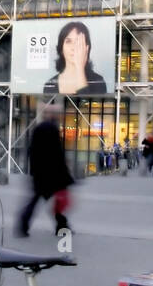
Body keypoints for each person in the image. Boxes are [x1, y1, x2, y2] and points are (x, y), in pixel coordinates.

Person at [19, 103, 74, 236]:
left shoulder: (39, 128)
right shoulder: (51, 129)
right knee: (59, 199)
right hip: (53, 173)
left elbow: (32, 151)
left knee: (37, 198)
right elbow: (57, 153)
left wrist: (33, 170)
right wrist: (64, 170)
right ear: (52, 115)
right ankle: (61, 227)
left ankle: (25, 223)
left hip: (41, 172)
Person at [42, 21, 108, 97]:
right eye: (68, 41)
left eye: (78, 42)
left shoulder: (97, 81)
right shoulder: (50, 85)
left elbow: (86, 106)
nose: (73, 47)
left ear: (86, 48)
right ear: (61, 48)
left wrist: (80, 68)